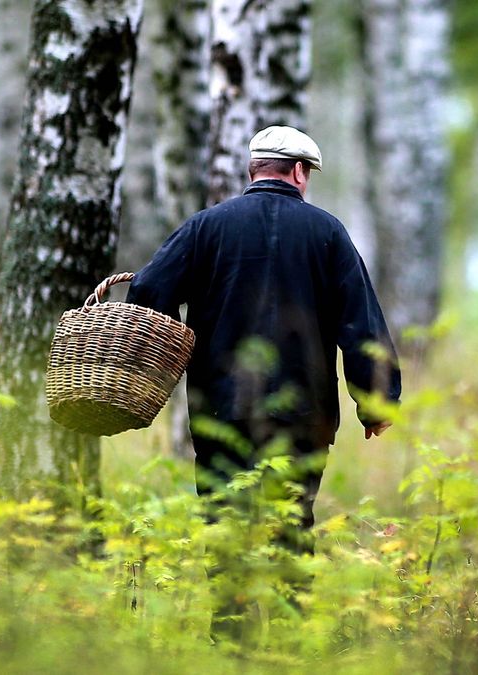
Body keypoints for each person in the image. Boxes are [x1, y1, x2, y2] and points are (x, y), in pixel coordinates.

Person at [126, 126, 401, 550]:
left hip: (220, 409)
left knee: (225, 534)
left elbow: (146, 290)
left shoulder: (205, 227)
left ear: (254, 170)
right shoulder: (328, 232)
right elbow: (360, 324)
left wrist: (164, 361)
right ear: (297, 172)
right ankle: (288, 613)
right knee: (291, 534)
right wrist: (376, 402)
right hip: (303, 416)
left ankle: (230, 616)